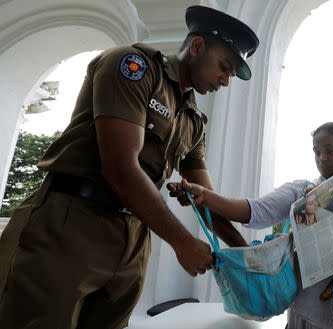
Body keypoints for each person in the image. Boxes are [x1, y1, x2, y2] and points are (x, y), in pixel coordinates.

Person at [0, 5, 259, 329]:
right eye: (224, 67)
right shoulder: (133, 67)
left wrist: (249, 256)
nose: (226, 80)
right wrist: (182, 242)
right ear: (197, 47)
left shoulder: (193, 122)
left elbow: (208, 200)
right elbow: (120, 168)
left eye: (232, 74)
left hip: (133, 239)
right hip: (72, 221)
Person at [168, 122, 333, 328]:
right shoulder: (302, 191)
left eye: (330, 150)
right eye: (316, 152)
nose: (322, 158)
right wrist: (206, 195)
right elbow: (254, 211)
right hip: (308, 309)